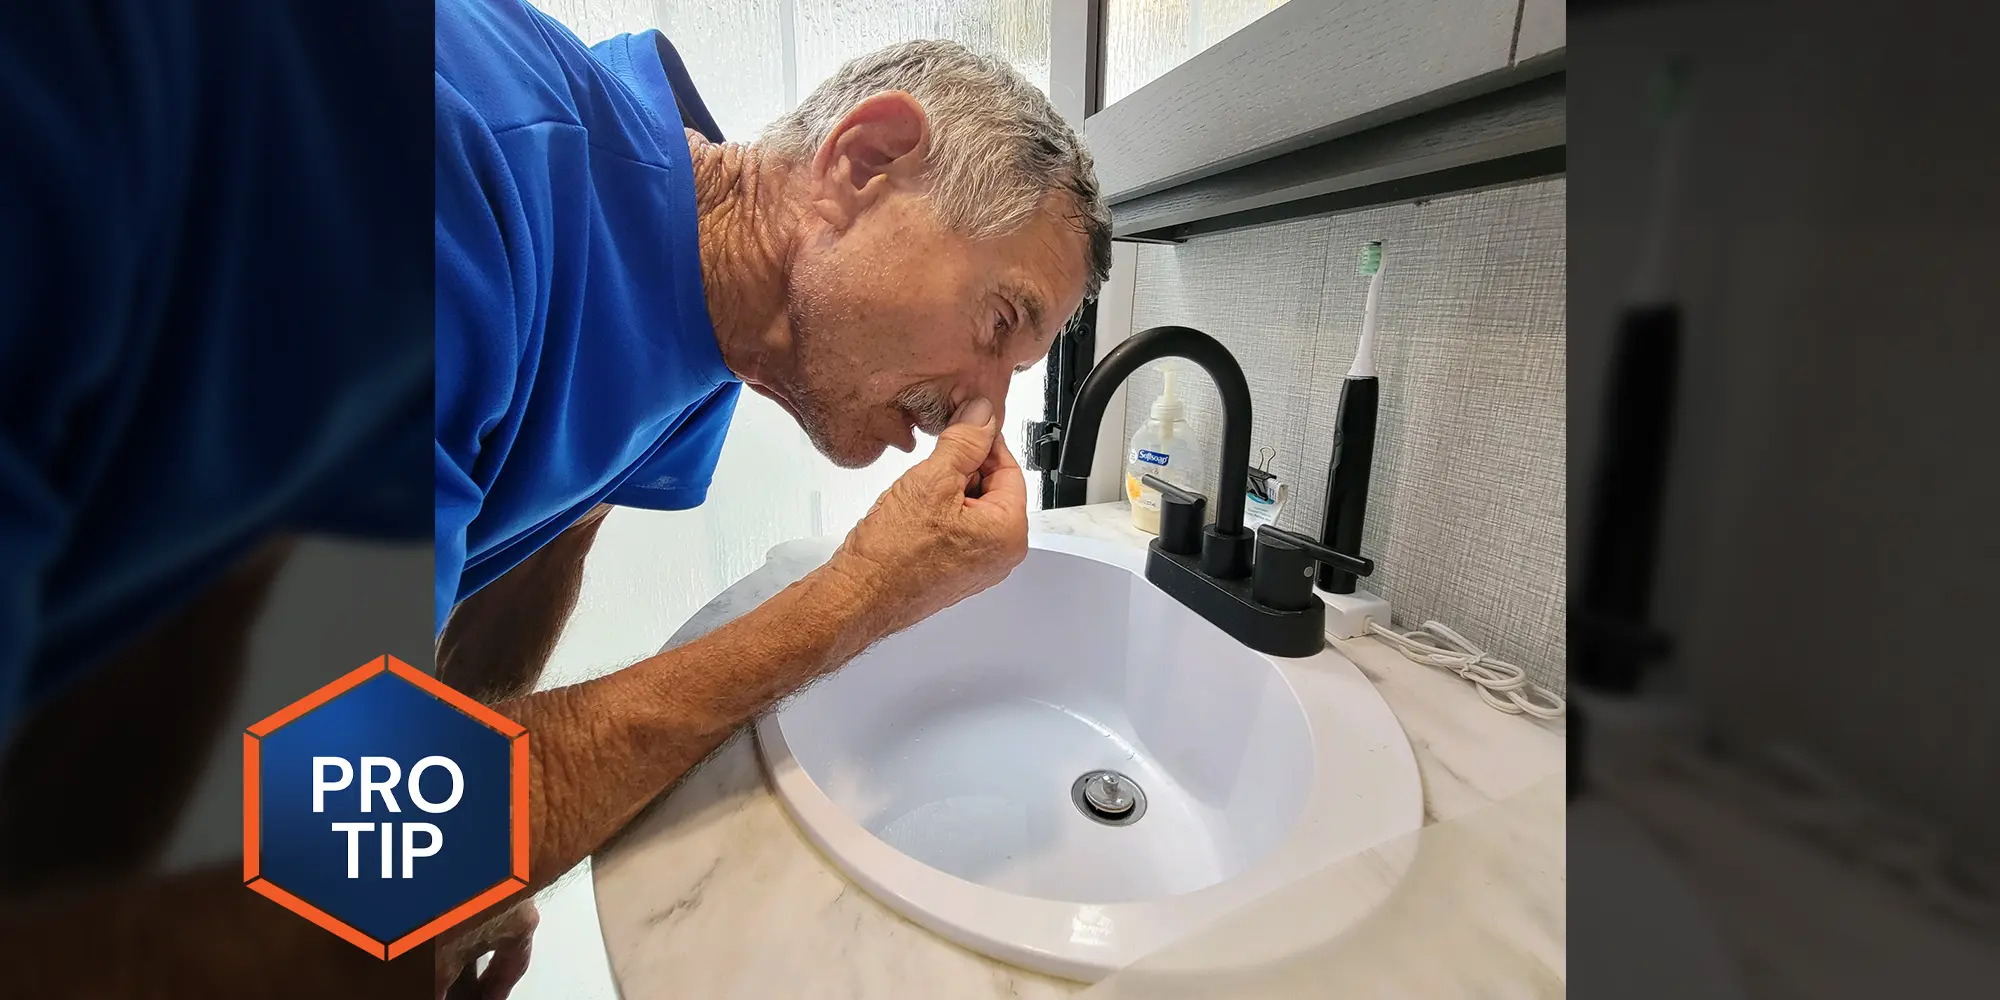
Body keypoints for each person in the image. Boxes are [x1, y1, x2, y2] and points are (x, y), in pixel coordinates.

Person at [429, 0, 1111, 994]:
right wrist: (858, 596)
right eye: (998, 321)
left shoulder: (709, 340)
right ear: (863, 160)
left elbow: (545, 547)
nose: (977, 411)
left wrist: (468, 854)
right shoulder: (462, 157)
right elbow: (314, 819)